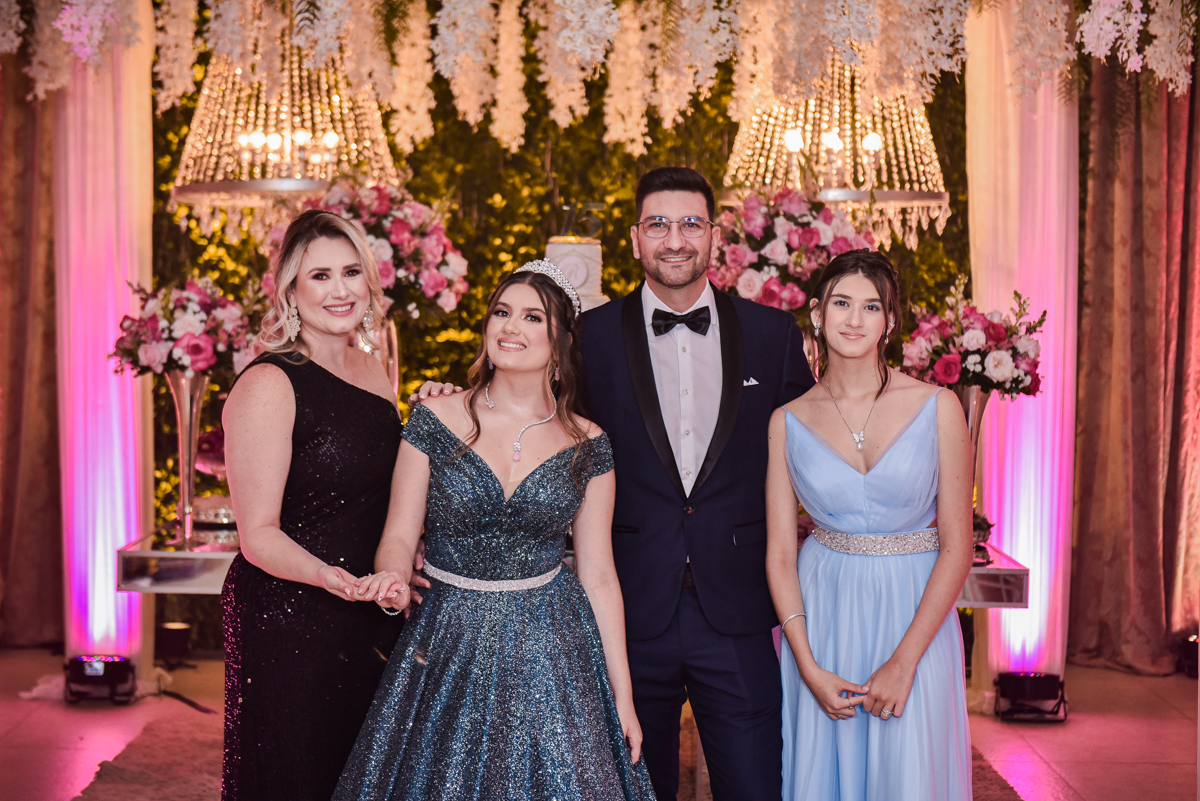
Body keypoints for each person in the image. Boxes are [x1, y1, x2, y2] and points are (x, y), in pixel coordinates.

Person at [334, 262, 657, 800]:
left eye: (532, 317)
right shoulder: (433, 418)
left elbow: (600, 575)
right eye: (502, 312)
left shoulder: (589, 444)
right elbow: (398, 535)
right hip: (447, 635)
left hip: (551, 643)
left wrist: (622, 696)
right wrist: (391, 576)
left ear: (560, 340)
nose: (511, 326)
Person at [578, 167, 814, 800]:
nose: (675, 240)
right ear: (635, 238)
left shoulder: (772, 336)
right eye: (658, 224)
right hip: (628, 607)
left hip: (737, 607)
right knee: (633, 789)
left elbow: (819, 440)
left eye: (690, 224)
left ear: (715, 236)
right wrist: (450, 402)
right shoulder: (588, 338)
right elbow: (535, 425)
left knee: (755, 787)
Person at [765, 250, 974, 800]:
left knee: (909, 775)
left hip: (916, 617)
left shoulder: (939, 407)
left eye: (871, 306)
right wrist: (806, 664)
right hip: (824, 617)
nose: (854, 319)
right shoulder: (786, 422)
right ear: (817, 314)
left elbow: (958, 547)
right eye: (841, 303)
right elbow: (780, 554)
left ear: (890, 320)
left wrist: (904, 661)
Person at [221, 209, 416, 800]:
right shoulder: (268, 383)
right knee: (299, 778)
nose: (340, 290)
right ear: (290, 291)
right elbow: (257, 534)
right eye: (320, 276)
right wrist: (328, 578)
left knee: (364, 778)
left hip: (364, 606)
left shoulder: (372, 369)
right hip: (291, 612)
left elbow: (382, 489)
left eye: (351, 272)